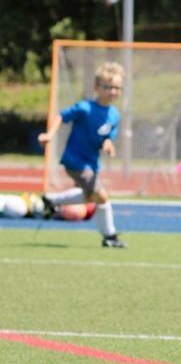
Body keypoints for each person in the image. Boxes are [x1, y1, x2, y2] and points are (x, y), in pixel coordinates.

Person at [37, 61, 126, 248]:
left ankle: (51, 201)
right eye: (107, 87)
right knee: (101, 196)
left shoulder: (114, 114)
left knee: (90, 197)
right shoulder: (85, 108)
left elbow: (108, 136)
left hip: (92, 163)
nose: (112, 91)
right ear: (96, 87)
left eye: (116, 88)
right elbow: (61, 116)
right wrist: (50, 134)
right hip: (75, 160)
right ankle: (109, 236)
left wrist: (108, 144)